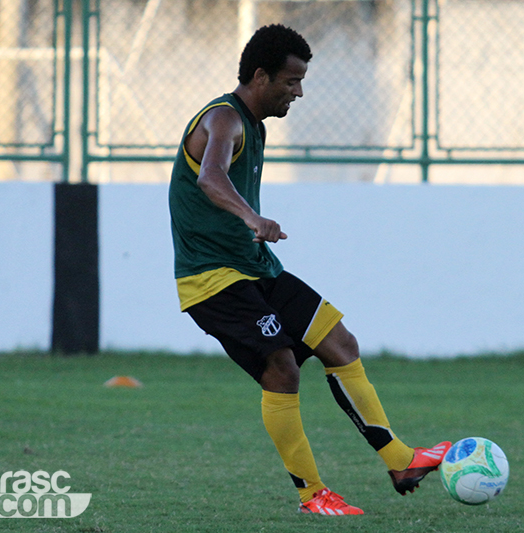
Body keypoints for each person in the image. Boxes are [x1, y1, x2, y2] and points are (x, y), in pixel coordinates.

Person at [169, 23, 449, 515]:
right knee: (282, 366)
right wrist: (252, 216)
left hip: (255, 268)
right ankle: (312, 495)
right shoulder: (224, 120)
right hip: (211, 279)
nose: (299, 92)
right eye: (291, 81)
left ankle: (402, 460)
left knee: (339, 342)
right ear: (260, 76)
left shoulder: (252, 124)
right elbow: (210, 178)